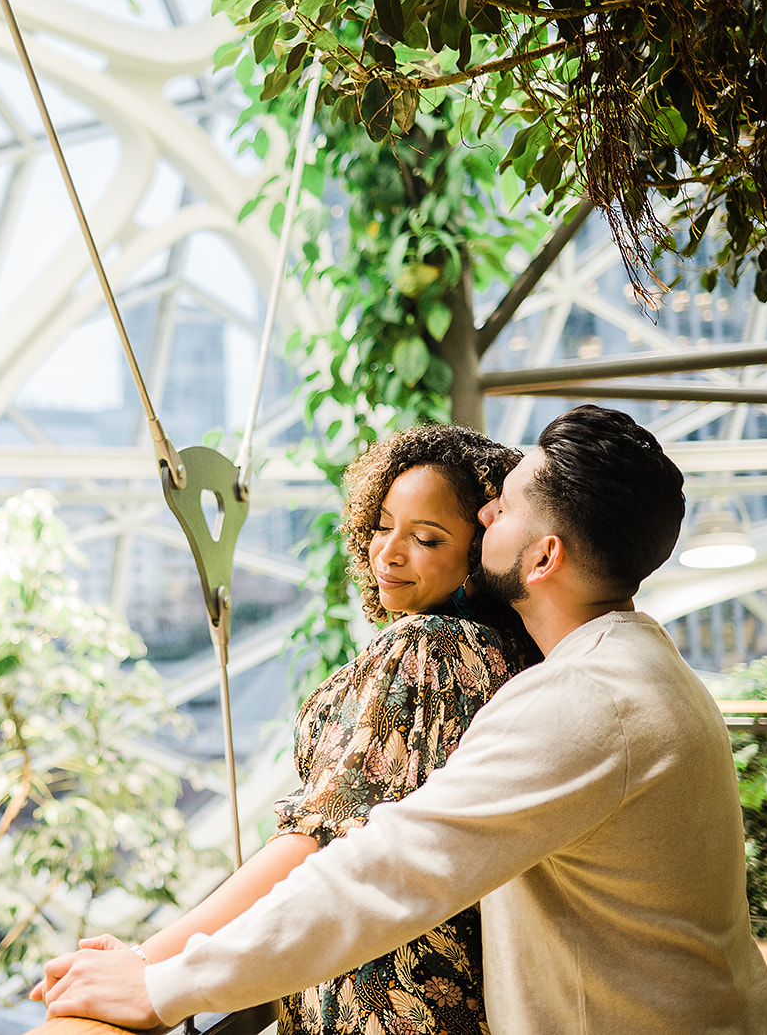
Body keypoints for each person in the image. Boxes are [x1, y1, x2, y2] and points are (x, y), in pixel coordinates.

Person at [35, 405, 767, 1034]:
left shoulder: (584, 701)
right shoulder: (639, 666)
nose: (490, 507)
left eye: (508, 505)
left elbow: (384, 865)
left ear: (545, 555)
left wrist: (159, 981)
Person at [34, 425, 536, 1034]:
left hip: (384, 995)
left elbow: (316, 843)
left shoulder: (425, 647)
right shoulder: (512, 653)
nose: (389, 554)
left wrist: (149, 964)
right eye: (382, 526)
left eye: (426, 538)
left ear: (481, 553)